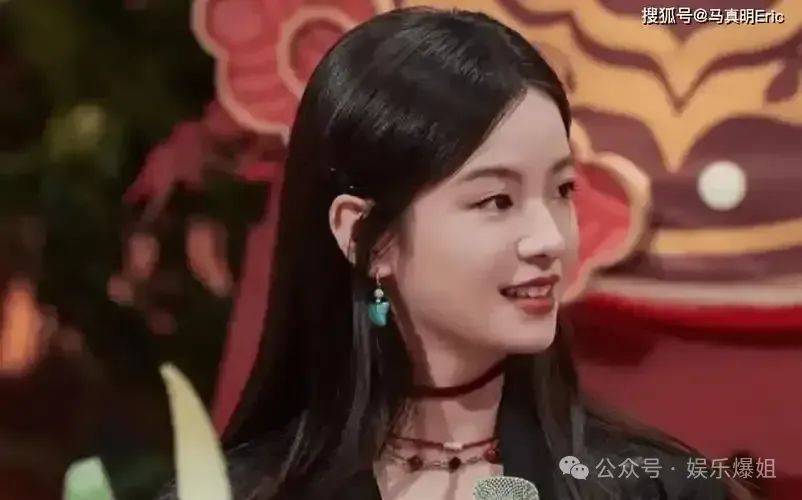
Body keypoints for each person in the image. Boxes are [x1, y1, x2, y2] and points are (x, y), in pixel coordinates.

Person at [162, 7, 759, 500]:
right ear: (366, 235)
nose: (550, 238)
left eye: (562, 190)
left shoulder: (657, 488)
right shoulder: (239, 493)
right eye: (497, 200)